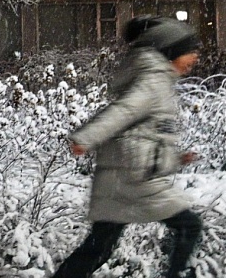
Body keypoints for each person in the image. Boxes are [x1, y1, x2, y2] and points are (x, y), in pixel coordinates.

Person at [52, 16, 203, 278]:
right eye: (190, 51)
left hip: (123, 174)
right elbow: (124, 111)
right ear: (171, 51)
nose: (195, 58)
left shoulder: (156, 79)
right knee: (189, 226)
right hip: (135, 177)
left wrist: (176, 158)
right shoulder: (154, 80)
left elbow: (144, 132)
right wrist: (86, 137)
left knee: (99, 247)